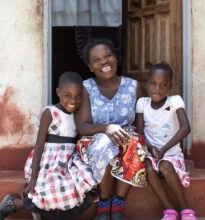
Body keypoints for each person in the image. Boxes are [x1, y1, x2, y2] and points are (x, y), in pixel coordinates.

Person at [0, 72, 96, 220]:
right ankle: (14, 204)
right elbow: (40, 145)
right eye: (67, 95)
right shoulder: (51, 113)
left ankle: (34, 210)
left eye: (78, 96)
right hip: (48, 162)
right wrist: (33, 178)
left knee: (79, 187)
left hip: (67, 162)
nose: (73, 100)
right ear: (58, 92)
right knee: (49, 189)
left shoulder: (77, 116)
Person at [75, 38, 145, 220]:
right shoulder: (86, 88)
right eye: (96, 60)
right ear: (90, 66)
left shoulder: (134, 87)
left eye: (108, 56)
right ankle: (104, 203)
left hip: (127, 141)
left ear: (116, 58)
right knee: (106, 142)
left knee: (134, 141)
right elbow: (82, 127)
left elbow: (142, 122)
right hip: (94, 141)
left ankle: (119, 204)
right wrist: (107, 128)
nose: (104, 62)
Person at [136, 63, 197, 220]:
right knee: (148, 168)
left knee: (165, 166)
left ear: (170, 86)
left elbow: (185, 128)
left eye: (164, 85)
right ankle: (169, 209)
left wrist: (163, 149)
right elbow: (140, 132)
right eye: (153, 83)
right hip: (150, 152)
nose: (158, 88)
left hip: (171, 153)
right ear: (146, 83)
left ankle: (185, 208)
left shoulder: (175, 101)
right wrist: (150, 147)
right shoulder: (142, 103)